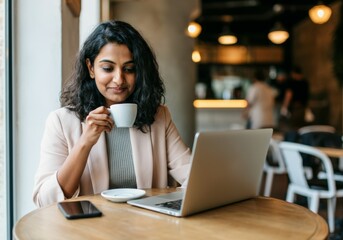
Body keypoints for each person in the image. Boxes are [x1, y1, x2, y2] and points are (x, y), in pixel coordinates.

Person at [33, 20, 191, 207]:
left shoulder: (158, 117)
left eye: (129, 69)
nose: (119, 79)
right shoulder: (61, 121)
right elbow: (44, 199)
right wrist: (85, 142)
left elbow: (193, 177)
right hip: (91, 230)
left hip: (147, 228)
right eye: (108, 68)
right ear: (91, 68)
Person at [280, 66, 310, 131]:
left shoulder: (291, 82)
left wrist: (284, 107)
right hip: (303, 107)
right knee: (301, 127)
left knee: (293, 127)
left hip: (295, 107)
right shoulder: (305, 82)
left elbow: (289, 95)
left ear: (294, 73)